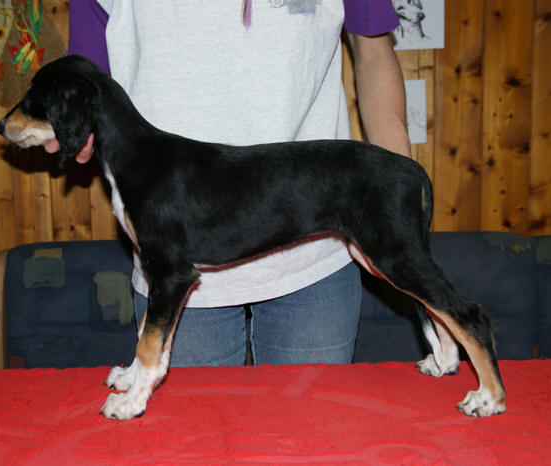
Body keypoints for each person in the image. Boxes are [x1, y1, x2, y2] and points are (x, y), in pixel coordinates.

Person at [68, 0, 411, 367]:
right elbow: (87, 81)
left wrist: (395, 198)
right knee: (192, 408)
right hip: (175, 260)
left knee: (312, 407)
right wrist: (71, 125)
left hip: (314, 252)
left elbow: (374, 54)